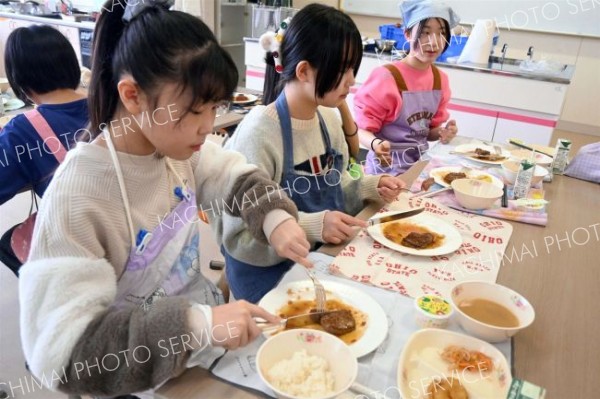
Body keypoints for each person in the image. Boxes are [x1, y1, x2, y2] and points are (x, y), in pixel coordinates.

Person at [18, 0, 312, 396]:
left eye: (214, 108)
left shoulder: (175, 150)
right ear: (133, 95)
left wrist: (275, 218)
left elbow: (234, 175)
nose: (208, 126)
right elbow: (63, 355)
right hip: (139, 379)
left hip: (203, 350)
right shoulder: (78, 196)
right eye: (194, 110)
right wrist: (197, 326)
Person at [215, 3, 406, 303]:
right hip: (266, 276)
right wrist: (312, 226)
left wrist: (369, 186)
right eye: (342, 70)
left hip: (319, 258)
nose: (352, 81)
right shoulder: (259, 133)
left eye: (353, 69)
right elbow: (238, 237)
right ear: (303, 71)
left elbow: (338, 186)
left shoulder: (328, 119)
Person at [0, 25, 89, 275]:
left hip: (80, 249)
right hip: (135, 233)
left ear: (20, 80)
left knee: (10, 241)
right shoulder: (109, 105)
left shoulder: (22, 131)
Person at [354, 0, 460, 175]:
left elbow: (428, 132)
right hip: (386, 170)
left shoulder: (440, 80)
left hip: (419, 167)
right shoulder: (386, 77)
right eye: (425, 33)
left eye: (441, 33)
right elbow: (360, 129)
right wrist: (376, 145)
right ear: (408, 34)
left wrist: (442, 131)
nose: (433, 42)